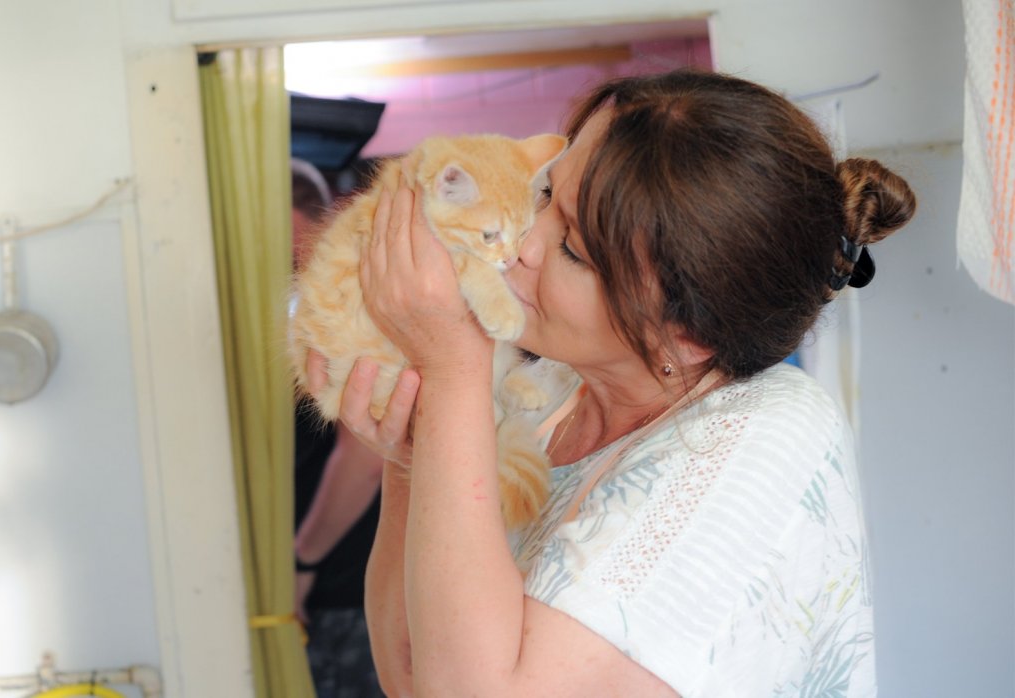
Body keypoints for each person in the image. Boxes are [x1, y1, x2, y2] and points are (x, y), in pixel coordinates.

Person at [304, 69, 915, 697]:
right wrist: (417, 446)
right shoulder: (556, 385)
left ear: (688, 333)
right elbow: (408, 671)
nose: (524, 244)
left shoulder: (770, 440)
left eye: (572, 248)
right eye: (546, 196)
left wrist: (450, 371)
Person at [289, 158, 385, 697]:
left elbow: (365, 456)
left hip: (344, 585)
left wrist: (302, 561)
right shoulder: (311, 306)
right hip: (341, 583)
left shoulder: (350, 303)